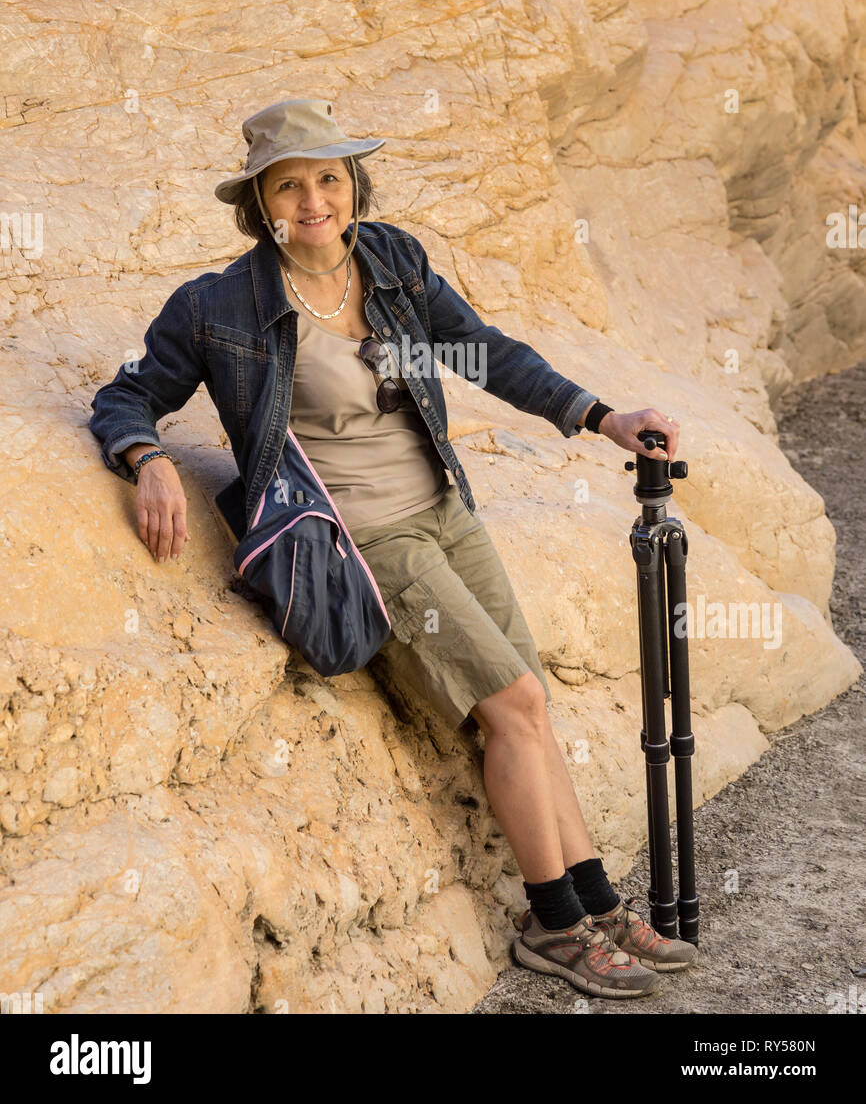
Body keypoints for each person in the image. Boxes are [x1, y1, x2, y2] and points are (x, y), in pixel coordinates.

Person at [89, 98, 697, 1000]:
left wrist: (602, 417)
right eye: (287, 185)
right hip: (366, 537)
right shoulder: (221, 306)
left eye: (327, 179)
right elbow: (128, 395)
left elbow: (483, 353)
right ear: (258, 201)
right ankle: (553, 924)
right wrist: (147, 461)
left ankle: (598, 901)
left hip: (447, 508)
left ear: (352, 185)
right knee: (518, 703)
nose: (312, 201)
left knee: (527, 702)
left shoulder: (394, 262)